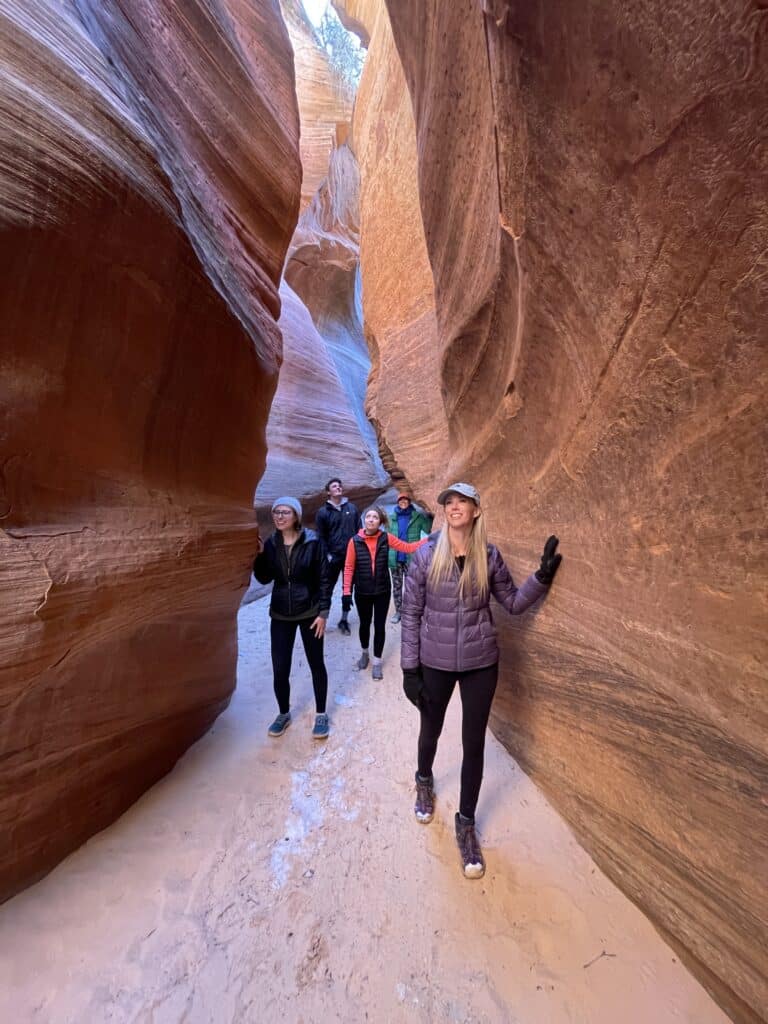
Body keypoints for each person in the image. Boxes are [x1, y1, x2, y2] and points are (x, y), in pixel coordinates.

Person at [400, 482, 562, 880]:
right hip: (435, 661)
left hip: (479, 662)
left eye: (462, 502)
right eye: (449, 502)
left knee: (473, 744)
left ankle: (466, 823)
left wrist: (540, 577)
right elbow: (411, 613)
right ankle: (424, 780)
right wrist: (409, 669)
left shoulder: (488, 556)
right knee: (431, 729)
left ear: (476, 510)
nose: (454, 508)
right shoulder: (425, 555)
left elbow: (511, 602)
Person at [253, 497, 332, 740]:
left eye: (285, 512)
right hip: (280, 613)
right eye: (276, 512)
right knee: (280, 667)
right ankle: (283, 713)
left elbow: (324, 579)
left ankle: (320, 714)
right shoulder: (271, 544)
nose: (279, 516)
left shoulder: (313, 541)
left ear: (296, 516)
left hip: (309, 611)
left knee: (316, 663)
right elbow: (265, 579)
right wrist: (259, 556)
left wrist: (323, 613)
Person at [343, 506, 427, 680]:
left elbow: (409, 548)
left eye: (375, 517)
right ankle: (365, 653)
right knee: (364, 625)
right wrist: (346, 593)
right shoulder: (355, 541)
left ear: (380, 522)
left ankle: (377, 662)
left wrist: (430, 539)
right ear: (364, 520)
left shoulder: (385, 538)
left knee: (380, 626)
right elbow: (349, 567)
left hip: (382, 590)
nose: (371, 519)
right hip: (363, 591)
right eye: (368, 517)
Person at [315, 477, 360, 635]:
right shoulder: (323, 512)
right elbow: (321, 536)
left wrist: (359, 552)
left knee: (348, 589)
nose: (338, 487)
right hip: (333, 557)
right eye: (334, 486)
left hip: (351, 556)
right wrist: (327, 555)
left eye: (339, 485)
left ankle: (344, 619)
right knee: (326, 588)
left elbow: (359, 531)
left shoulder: (352, 509)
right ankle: (322, 619)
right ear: (329, 492)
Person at [388, 488, 432, 624]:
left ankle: (411, 612)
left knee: (412, 587)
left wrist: (429, 514)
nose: (403, 502)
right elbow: (386, 537)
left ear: (409, 501)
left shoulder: (417, 517)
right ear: (398, 502)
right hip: (395, 558)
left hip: (411, 558)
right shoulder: (391, 518)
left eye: (405, 500)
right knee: (396, 586)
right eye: (401, 500)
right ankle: (398, 612)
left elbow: (429, 529)